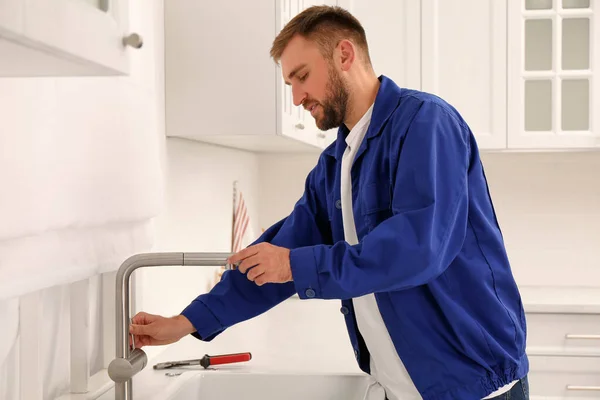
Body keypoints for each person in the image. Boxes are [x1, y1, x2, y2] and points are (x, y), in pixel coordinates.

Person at [129, 6, 529, 400]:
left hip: (476, 387)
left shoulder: (426, 123)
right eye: (290, 84)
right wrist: (185, 322)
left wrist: (294, 266)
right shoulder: (336, 163)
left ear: (344, 54)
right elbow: (280, 254)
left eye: (302, 76)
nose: (297, 96)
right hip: (402, 388)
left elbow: (417, 248)